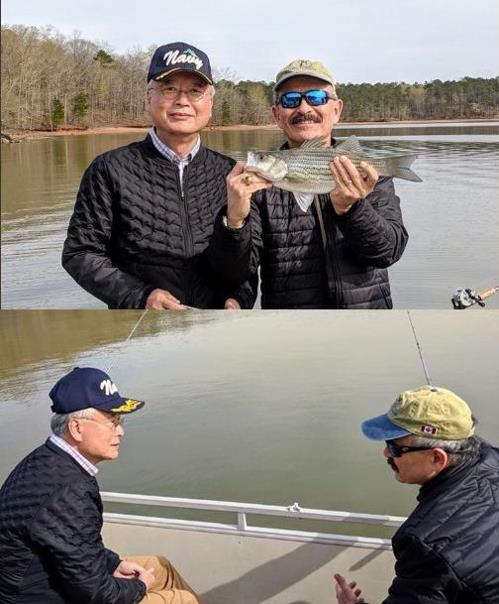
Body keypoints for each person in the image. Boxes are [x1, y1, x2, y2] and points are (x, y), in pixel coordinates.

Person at [208, 59, 409, 308]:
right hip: (291, 331)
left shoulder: (367, 174)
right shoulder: (256, 188)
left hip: (365, 324)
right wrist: (234, 222)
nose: (304, 108)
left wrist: (352, 210)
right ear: (277, 115)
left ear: (336, 109)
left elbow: (388, 252)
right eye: (290, 100)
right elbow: (237, 274)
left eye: (316, 97)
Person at [62, 41, 241, 310]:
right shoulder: (109, 169)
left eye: (195, 91)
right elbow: (80, 253)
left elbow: (246, 261)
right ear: (149, 98)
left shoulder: (231, 172)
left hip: (215, 333)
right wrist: (140, 296)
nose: (182, 101)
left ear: (210, 104)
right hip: (142, 330)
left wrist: (239, 300)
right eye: (170, 89)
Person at [0, 367, 199, 604]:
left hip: (53, 582)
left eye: (120, 421)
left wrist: (114, 564)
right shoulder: (67, 492)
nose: (121, 431)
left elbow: (71, 547)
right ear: (76, 428)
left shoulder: (45, 460)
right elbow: (99, 595)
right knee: (181, 599)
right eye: (112, 422)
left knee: (160, 567)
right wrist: (139, 586)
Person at [334, 385, 499, 604]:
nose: (386, 453)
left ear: (437, 459)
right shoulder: (491, 455)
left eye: (395, 448)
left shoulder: (426, 546)